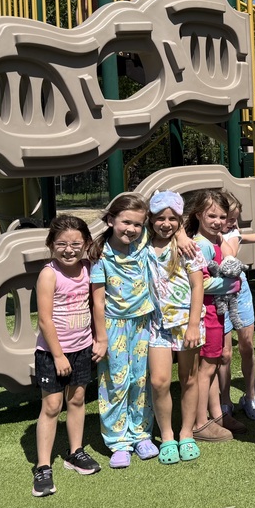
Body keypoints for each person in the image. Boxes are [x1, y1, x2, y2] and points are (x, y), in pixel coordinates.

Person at [31, 215, 106, 497]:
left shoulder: (89, 269)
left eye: (76, 244)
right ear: (51, 244)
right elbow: (44, 320)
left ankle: (76, 452)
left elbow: (97, 305)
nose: (69, 250)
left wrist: (98, 339)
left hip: (82, 348)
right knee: (52, 406)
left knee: (77, 400)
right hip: (53, 353)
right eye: (61, 244)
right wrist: (59, 355)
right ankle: (42, 466)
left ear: (86, 244)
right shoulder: (49, 274)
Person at [88, 192, 158, 468]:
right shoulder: (100, 254)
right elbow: (97, 300)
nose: (131, 229)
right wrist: (101, 337)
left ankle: (141, 434)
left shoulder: (143, 243)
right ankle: (118, 441)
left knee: (140, 379)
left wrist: (184, 236)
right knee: (115, 381)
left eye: (137, 224)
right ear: (110, 220)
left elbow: (171, 221)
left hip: (142, 322)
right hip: (114, 325)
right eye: (126, 222)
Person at [144, 190, 206, 465]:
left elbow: (197, 286)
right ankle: (167, 435)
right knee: (159, 381)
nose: (166, 223)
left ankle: (186, 433)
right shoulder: (142, 245)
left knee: (189, 378)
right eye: (160, 218)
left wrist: (193, 325)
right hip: (155, 324)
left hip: (186, 323)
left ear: (180, 220)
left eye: (172, 219)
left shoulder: (187, 247)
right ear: (151, 219)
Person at [185, 189, 245, 442]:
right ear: (198, 215)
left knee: (212, 365)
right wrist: (233, 284)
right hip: (207, 312)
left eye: (222, 217)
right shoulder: (201, 245)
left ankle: (216, 415)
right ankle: (200, 423)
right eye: (212, 216)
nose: (218, 221)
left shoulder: (214, 241)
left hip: (215, 312)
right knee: (206, 368)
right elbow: (201, 283)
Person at [215, 190, 255, 421]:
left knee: (247, 345)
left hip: (238, 290)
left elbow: (230, 253)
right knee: (224, 353)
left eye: (235, 218)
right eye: (228, 218)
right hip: (216, 293)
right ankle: (225, 401)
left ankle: (250, 396)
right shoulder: (202, 234)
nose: (232, 223)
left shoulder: (231, 232)